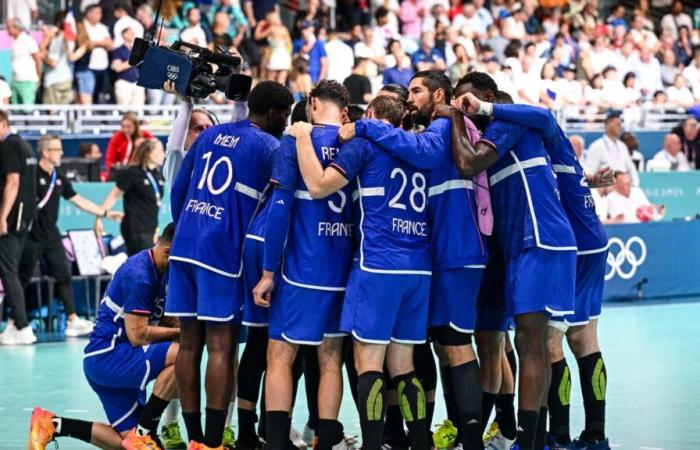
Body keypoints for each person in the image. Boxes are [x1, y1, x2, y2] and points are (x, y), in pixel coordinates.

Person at [339, 70, 488, 450]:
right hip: (423, 261)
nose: (411, 98)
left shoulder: (443, 124)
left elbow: (423, 151)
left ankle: (466, 438)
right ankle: (417, 440)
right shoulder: (413, 140)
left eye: (417, 90)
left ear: (439, 95)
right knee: (408, 360)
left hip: (416, 257)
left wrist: (363, 127)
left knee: (381, 359)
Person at [469, 99, 613, 450]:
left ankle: (555, 436)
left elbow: (541, 115)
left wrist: (488, 109)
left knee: (547, 343)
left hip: (571, 241)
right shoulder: (551, 149)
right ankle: (594, 433)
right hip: (591, 235)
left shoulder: (537, 131)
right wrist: (589, 182)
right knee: (584, 340)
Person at [450, 72, 577, 450]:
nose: (464, 109)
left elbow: (467, 164)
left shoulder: (507, 123)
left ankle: (530, 440)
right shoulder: (503, 136)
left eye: (467, 100)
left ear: (489, 99)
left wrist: (453, 115)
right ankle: (532, 439)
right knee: (531, 343)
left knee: (530, 342)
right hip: (526, 247)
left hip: (539, 241)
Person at [165, 81, 293, 449]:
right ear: (273, 113)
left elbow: (178, 188)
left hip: (186, 244)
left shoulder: (210, 135)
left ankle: (193, 439)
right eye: (284, 115)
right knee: (222, 347)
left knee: (189, 344)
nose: (285, 122)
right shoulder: (271, 146)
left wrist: (190, 225)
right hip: (222, 252)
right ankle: (213, 439)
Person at [252, 80, 353, 450]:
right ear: (344, 111)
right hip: (342, 270)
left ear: (311, 103)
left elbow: (279, 211)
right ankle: (326, 442)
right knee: (331, 360)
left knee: (279, 355)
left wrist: (267, 271)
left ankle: (276, 442)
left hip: (301, 269)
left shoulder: (295, 141)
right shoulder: (355, 143)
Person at [27, 224, 180, 450]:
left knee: (125, 444)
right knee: (186, 355)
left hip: (108, 361)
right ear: (167, 251)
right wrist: (184, 332)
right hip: (112, 357)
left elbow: (162, 321)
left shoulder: (163, 272)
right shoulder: (139, 274)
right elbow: (138, 335)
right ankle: (144, 431)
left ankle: (52, 424)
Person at [18, 136, 122, 338]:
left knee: (63, 275)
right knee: (22, 278)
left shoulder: (58, 177)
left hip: (51, 235)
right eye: (57, 149)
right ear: (46, 152)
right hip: (31, 236)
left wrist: (105, 213)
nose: (62, 153)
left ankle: (72, 320)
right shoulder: (29, 174)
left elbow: (79, 200)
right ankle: (17, 322)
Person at [0, 111, 38, 346]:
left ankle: (22, 326)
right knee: (10, 270)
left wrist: (2, 216)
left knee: (8, 271)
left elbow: (13, 182)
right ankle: (16, 323)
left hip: (12, 220)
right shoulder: (24, 145)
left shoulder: (8, 146)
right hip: (24, 219)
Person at [95, 139, 165, 256]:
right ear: (150, 153)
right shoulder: (131, 173)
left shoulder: (157, 175)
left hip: (150, 229)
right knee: (144, 266)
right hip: (135, 229)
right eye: (161, 150)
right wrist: (99, 217)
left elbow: (153, 205)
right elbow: (113, 197)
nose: (164, 154)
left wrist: (156, 230)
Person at [583, 113, 639, 187]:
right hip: (605, 187)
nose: (621, 127)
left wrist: (635, 185)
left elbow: (631, 169)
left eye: (621, 125)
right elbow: (589, 171)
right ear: (608, 125)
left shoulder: (622, 146)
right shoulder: (596, 146)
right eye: (618, 125)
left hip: (623, 185)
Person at [39, 12, 75, 105]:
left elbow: (53, 63)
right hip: (66, 79)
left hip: (54, 81)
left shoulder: (58, 39)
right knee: (63, 113)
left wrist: (43, 57)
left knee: (54, 115)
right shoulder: (69, 39)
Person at [7, 18, 41, 106]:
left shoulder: (28, 40)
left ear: (16, 28)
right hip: (15, 81)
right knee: (16, 110)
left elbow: (37, 59)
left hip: (27, 81)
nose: (7, 29)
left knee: (27, 110)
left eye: (9, 27)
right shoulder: (15, 42)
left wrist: (38, 77)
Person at [83, 5, 113, 104]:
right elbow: (86, 44)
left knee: (101, 94)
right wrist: (102, 42)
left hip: (103, 66)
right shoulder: (82, 26)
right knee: (88, 93)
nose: (100, 15)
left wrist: (95, 43)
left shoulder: (103, 27)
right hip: (88, 66)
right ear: (89, 14)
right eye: (97, 13)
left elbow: (110, 45)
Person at [255, 9, 292, 84]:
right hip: (285, 56)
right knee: (281, 83)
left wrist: (259, 25)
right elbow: (289, 44)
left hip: (275, 56)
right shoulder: (284, 29)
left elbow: (257, 36)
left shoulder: (271, 28)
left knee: (270, 81)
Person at [111, 27, 145, 107]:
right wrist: (133, 60)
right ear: (124, 35)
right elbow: (117, 67)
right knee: (124, 110)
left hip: (137, 83)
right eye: (130, 32)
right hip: (124, 83)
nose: (133, 34)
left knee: (138, 110)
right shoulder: (118, 50)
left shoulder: (136, 50)